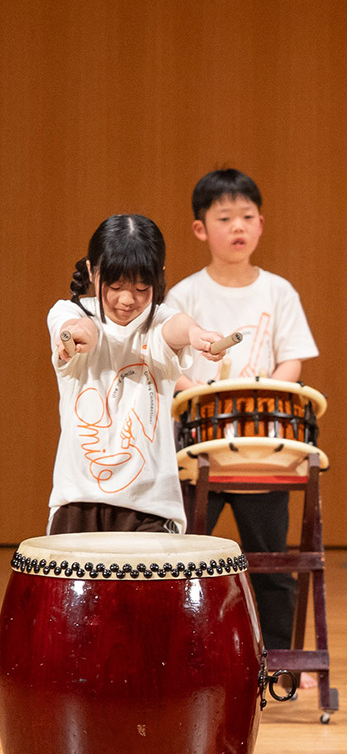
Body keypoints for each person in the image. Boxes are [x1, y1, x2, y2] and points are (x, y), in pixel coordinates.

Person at [164, 169, 319, 653]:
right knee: (185, 559)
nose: (238, 226)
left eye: (247, 217)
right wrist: (201, 394)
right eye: (224, 217)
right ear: (200, 228)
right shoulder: (184, 295)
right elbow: (168, 364)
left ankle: (280, 659)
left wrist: (261, 394)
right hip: (199, 445)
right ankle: (181, 654)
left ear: (261, 224)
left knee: (270, 562)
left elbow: (292, 359)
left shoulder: (278, 291)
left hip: (262, 447)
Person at [47, 214, 225, 535]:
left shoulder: (158, 322)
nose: (127, 300)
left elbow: (176, 327)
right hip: (78, 498)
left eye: (142, 287)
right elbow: (79, 327)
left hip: (151, 505)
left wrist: (196, 334)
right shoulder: (69, 312)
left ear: (159, 276)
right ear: (91, 271)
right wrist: (79, 334)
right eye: (115, 286)